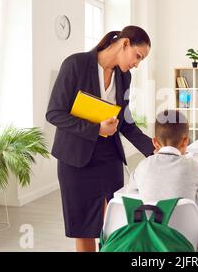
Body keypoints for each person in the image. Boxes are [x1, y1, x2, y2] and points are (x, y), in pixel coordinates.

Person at [46, 26, 155, 252]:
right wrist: (96, 128)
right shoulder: (76, 64)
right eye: (138, 56)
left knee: (114, 224)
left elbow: (125, 121)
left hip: (109, 159)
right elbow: (54, 113)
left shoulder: (124, 76)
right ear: (124, 44)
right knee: (84, 228)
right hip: (75, 161)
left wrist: (155, 149)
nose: (137, 63)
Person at [126, 109, 198, 202]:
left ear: (155, 142)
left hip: (151, 223)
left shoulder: (142, 166)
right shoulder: (192, 167)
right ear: (185, 141)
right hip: (185, 224)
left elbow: (130, 189)